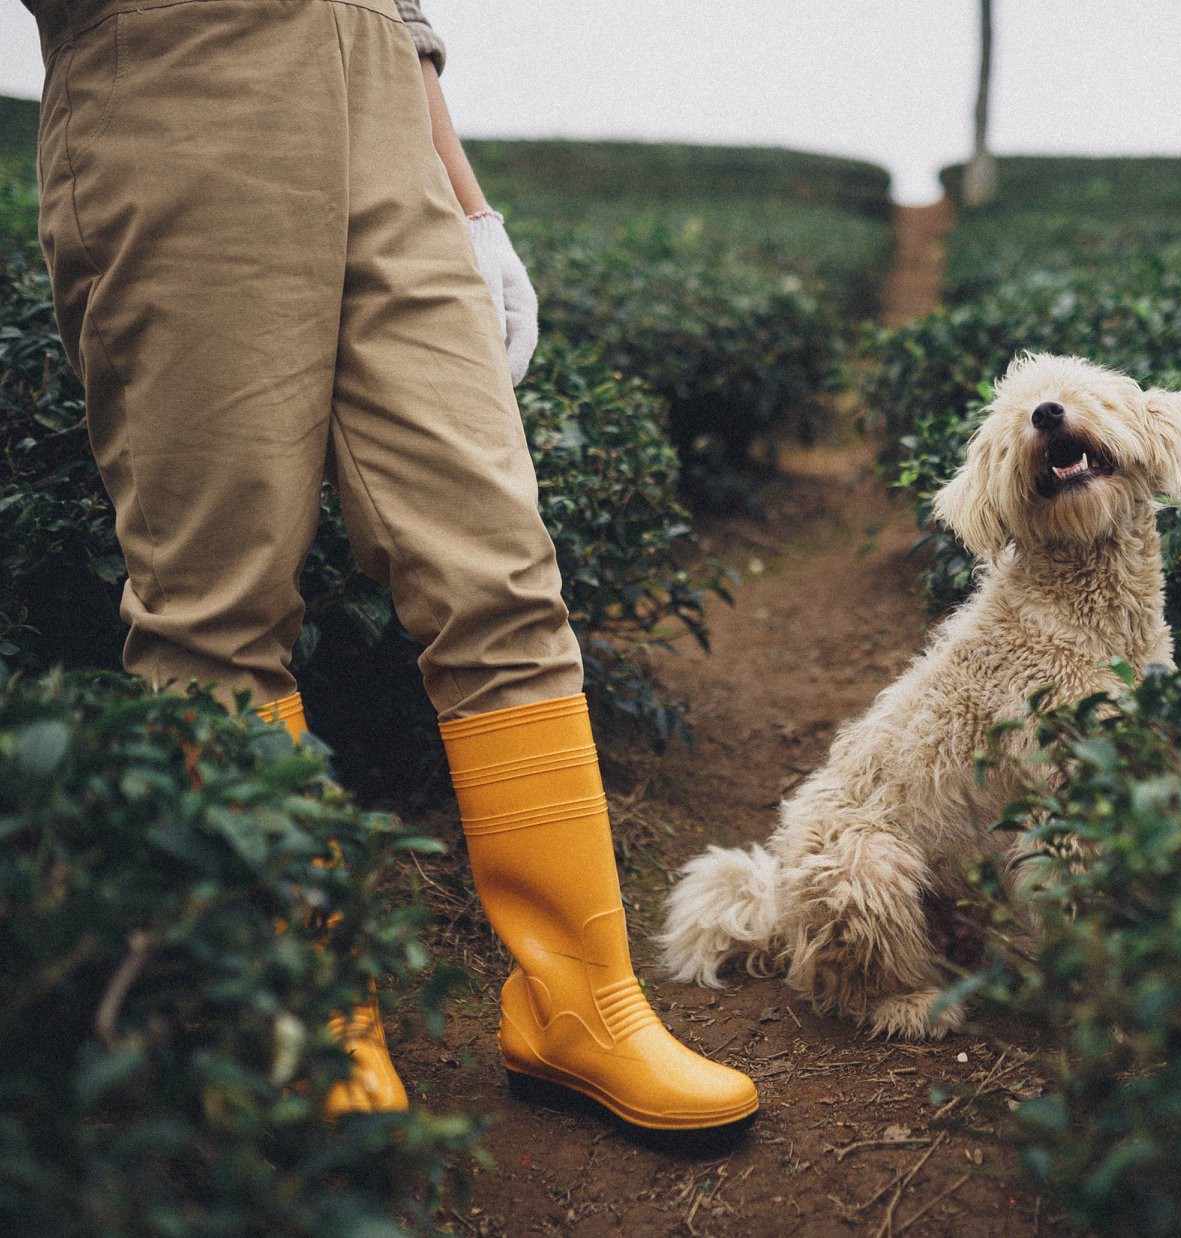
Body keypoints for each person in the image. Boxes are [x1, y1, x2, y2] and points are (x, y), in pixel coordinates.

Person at [23, 0, 759, 1130]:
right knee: (214, 603)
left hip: (376, 84)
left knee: (501, 574)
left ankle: (582, 1003)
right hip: (172, 71)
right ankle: (296, 1014)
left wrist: (465, 196)